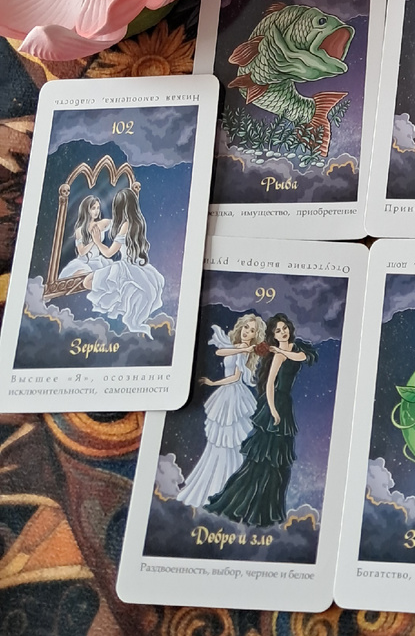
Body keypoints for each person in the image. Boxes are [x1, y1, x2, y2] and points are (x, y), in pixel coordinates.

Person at [206, 313, 316, 527]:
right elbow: (269, 385)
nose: (282, 332)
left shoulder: (294, 350)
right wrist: (273, 410)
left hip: (286, 406)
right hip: (275, 406)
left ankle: (269, 510)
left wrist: (281, 350)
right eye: (278, 331)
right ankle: (241, 504)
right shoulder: (276, 357)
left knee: (280, 463)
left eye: (284, 328)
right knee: (262, 461)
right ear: (273, 335)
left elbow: (300, 358)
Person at [177, 316, 267, 509]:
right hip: (225, 395)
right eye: (246, 327)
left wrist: (213, 383)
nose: (247, 332)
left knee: (230, 442)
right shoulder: (238, 347)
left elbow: (235, 377)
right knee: (217, 442)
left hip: (233, 395)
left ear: (255, 335)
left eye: (252, 330)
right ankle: (211, 485)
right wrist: (241, 349)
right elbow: (220, 351)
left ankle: (228, 486)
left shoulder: (245, 352)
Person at [86, 188, 166, 336]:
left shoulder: (125, 225)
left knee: (88, 282)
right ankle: (122, 301)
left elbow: (109, 253)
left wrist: (97, 241)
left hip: (126, 266)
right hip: (138, 265)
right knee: (120, 287)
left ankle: (119, 300)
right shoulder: (139, 222)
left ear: (120, 208)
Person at [58, 194, 112, 282]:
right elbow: (81, 252)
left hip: (97, 261)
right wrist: (94, 241)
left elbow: (117, 224)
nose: (96, 211)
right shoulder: (79, 230)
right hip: (82, 262)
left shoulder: (102, 223)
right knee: (82, 275)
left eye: (98, 208)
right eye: (93, 208)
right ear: (87, 210)